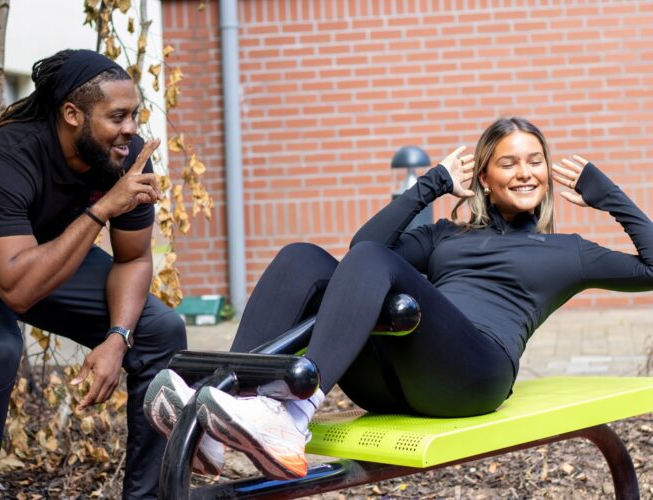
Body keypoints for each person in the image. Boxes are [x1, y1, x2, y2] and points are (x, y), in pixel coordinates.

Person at [143, 117, 653, 480]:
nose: (525, 172)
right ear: (483, 178)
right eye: (508, 163)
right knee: (303, 256)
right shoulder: (446, 237)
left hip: (473, 376)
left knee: (373, 261)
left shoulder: (567, 252)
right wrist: (430, 186)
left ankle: (292, 420)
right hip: (394, 380)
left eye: (535, 161)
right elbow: (361, 248)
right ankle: (227, 403)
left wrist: (605, 194)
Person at [0, 49, 187, 499]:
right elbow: (18, 292)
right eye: (117, 116)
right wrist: (102, 209)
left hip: (38, 256)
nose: (131, 130)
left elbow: (133, 259)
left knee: (160, 329)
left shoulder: (126, 155)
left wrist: (117, 337)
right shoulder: (3, 156)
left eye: (135, 115)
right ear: (72, 114)